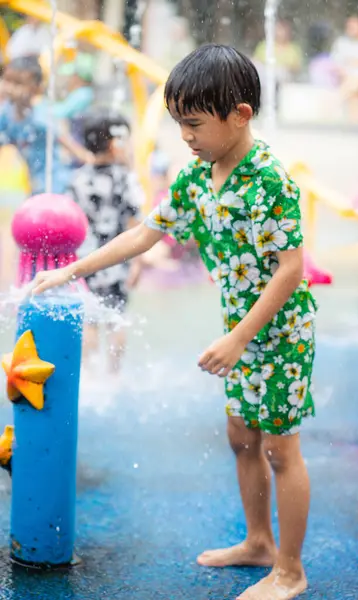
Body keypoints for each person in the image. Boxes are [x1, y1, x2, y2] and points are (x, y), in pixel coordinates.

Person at [31, 44, 317, 600]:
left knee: (281, 448)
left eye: (194, 123)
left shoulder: (269, 182)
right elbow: (145, 234)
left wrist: (238, 338)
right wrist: (76, 269)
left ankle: (290, 570)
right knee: (242, 436)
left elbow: (290, 272)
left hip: (279, 332)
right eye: (178, 124)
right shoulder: (198, 175)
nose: (184, 136)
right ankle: (259, 542)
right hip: (240, 328)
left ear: (240, 114)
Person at [68, 109, 144, 374]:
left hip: (86, 260)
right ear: (113, 144)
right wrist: (137, 263)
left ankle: (88, 373)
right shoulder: (124, 178)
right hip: (117, 259)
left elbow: (72, 222)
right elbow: (136, 224)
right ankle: (113, 375)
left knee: (89, 319)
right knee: (116, 319)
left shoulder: (78, 179)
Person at [0, 56, 93, 195]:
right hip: (33, 184)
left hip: (55, 184)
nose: (10, 88)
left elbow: (67, 142)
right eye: (7, 80)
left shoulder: (40, 114)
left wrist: (91, 160)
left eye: (18, 83)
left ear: (36, 88)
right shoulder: (6, 113)